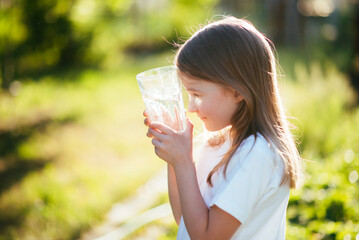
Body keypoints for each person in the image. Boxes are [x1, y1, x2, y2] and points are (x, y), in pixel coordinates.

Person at [143, 16, 302, 240]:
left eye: (197, 94)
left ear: (237, 90)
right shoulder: (216, 143)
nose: (191, 107)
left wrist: (183, 162)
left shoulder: (259, 155)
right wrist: (175, 158)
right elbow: (185, 219)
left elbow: (207, 237)